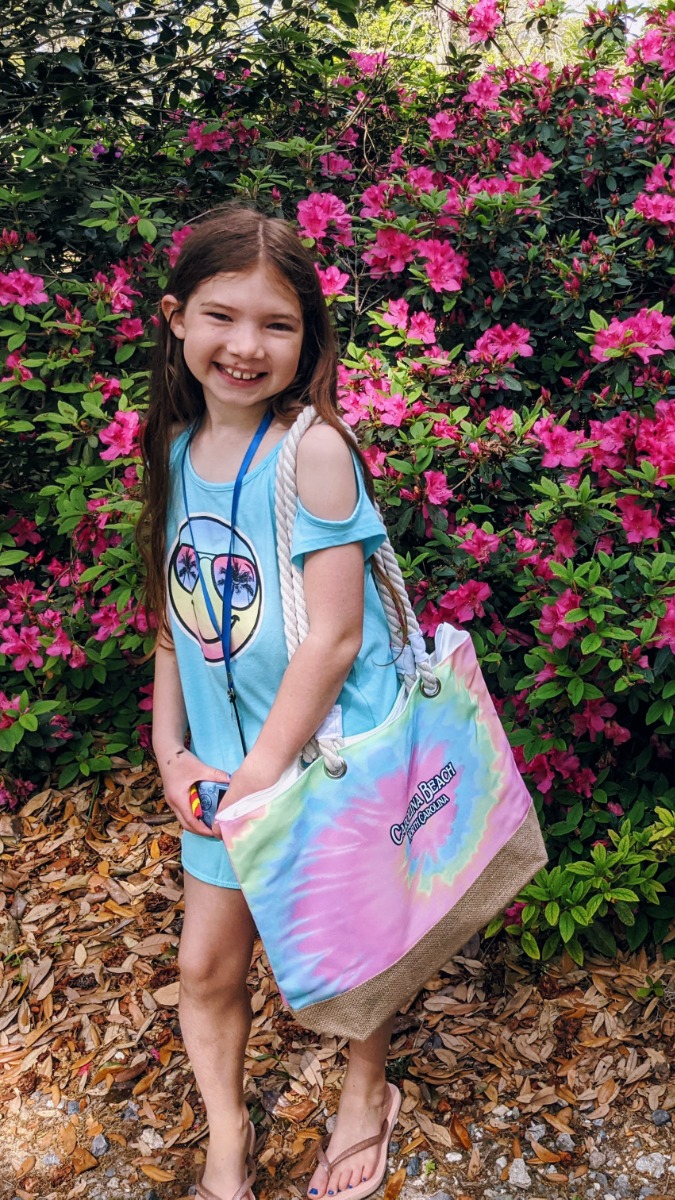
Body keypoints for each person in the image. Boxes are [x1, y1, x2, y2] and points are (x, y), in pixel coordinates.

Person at [136, 206, 404, 1200]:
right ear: (176, 318)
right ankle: (227, 1136)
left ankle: (363, 1090)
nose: (246, 346)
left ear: (309, 338)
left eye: (277, 325)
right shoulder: (169, 452)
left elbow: (333, 639)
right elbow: (173, 616)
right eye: (222, 316)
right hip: (220, 772)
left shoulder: (314, 453)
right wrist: (173, 752)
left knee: (346, 955)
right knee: (207, 967)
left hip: (321, 761)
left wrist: (255, 779)